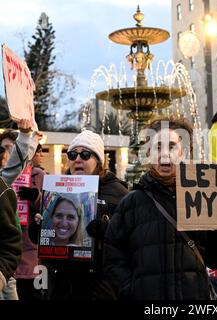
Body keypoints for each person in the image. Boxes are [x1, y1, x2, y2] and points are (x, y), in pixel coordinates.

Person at [103, 116, 217, 300]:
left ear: (184, 152)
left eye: (171, 146)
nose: (164, 154)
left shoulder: (204, 199)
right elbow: (112, 258)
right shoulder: (130, 203)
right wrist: (131, 290)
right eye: (157, 147)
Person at [31, 129, 129, 300]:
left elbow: (132, 237)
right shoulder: (56, 190)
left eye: (85, 154)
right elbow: (40, 238)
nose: (77, 159)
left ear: (99, 161)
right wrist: (39, 227)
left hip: (100, 286)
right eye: (72, 155)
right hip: (60, 286)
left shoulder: (118, 192)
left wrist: (108, 230)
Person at [0, 119, 41, 300]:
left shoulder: (2, 183)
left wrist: (26, 137)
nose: (7, 154)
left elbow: (16, 165)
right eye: (5, 149)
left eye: (11, 149)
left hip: (21, 258)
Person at [14, 144, 46, 301]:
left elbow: (50, 208)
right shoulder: (6, 174)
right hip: (11, 245)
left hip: (31, 247)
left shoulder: (38, 174)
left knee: (32, 292)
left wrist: (36, 197)